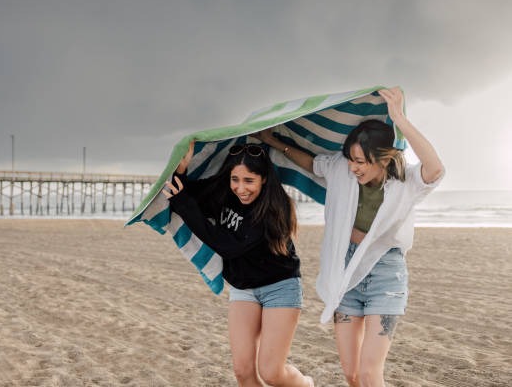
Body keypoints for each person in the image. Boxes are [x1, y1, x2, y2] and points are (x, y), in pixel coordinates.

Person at [253, 87, 444, 387]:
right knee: (353, 375)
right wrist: (273, 141)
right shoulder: (341, 170)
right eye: (350, 159)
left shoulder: (406, 181)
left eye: (360, 161)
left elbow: (435, 168)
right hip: (345, 274)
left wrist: (399, 118)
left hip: (386, 276)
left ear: (383, 159)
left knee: (370, 374)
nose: (353, 167)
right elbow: (311, 163)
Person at [162, 142, 314, 387]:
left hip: (280, 287)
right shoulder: (224, 191)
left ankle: (305, 384)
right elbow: (186, 192)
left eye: (249, 181)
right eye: (235, 179)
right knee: (243, 372)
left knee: (271, 373)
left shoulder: (275, 209)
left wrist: (184, 204)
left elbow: (227, 246)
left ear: (264, 179)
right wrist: (181, 170)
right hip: (243, 288)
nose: (241, 189)